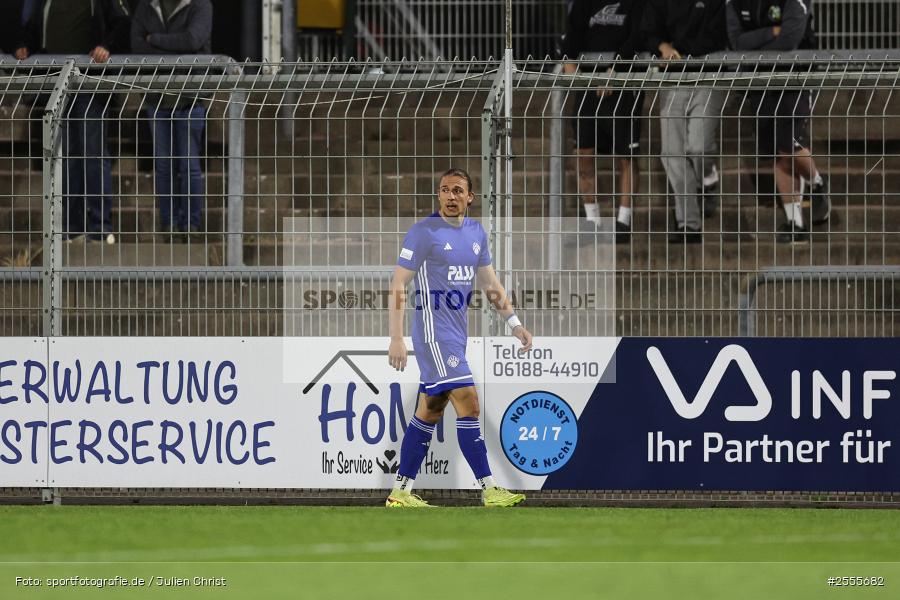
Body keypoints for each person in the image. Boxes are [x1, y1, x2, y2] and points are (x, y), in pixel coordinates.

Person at [385, 168, 533, 508]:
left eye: (457, 191)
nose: (450, 197)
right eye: (444, 190)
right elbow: (397, 284)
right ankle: (490, 488)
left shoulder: (476, 233)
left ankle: (400, 493)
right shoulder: (424, 232)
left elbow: (491, 285)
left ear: (470, 197)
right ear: (438, 196)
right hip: (435, 337)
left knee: (430, 411)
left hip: (455, 336)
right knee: (469, 401)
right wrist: (396, 338)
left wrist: (515, 323)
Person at [16, 0, 133, 244]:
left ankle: (99, 226)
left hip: (90, 82)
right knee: (66, 154)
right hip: (58, 82)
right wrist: (26, 46)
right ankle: (71, 226)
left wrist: (105, 46)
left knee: (93, 152)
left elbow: (121, 22)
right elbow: (34, 27)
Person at [726, 0, 831, 244]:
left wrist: (757, 41)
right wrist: (771, 32)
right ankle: (795, 222)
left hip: (797, 76)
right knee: (777, 151)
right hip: (761, 79)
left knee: (789, 141)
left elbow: (790, 40)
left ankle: (816, 182)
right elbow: (736, 42)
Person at [642, 0, 728, 244]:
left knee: (697, 146)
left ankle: (708, 176)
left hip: (710, 69)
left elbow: (721, 32)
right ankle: (688, 224)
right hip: (674, 72)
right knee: (671, 152)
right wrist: (662, 46)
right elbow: (647, 28)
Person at [562, 0, 646, 244]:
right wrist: (569, 63)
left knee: (626, 155)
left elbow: (638, 34)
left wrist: (615, 70)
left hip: (624, 81)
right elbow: (573, 31)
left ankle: (624, 220)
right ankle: (593, 221)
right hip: (588, 82)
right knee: (584, 153)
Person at [131, 0, 213, 240]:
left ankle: (191, 226)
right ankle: (170, 225)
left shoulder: (200, 5)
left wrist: (154, 39)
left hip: (190, 98)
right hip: (156, 97)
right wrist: (176, 48)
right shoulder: (146, 6)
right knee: (164, 167)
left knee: (189, 166)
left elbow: (193, 40)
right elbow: (136, 47)